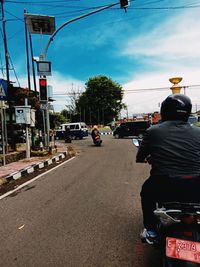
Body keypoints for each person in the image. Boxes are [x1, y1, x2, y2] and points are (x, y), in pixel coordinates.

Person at [136, 94, 200, 243]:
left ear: (164, 111)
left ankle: (151, 230)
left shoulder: (153, 131)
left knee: (146, 194)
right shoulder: (198, 132)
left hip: (164, 185)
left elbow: (140, 156)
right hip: (196, 185)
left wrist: (147, 158)